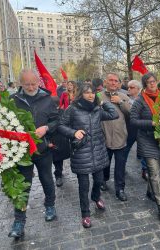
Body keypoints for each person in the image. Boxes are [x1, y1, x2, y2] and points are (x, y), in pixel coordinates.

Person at [58, 83, 118, 228]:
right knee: (83, 186)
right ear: (81, 94)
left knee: (99, 180)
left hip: (98, 152)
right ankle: (85, 213)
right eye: (87, 93)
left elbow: (113, 114)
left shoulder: (97, 109)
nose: (91, 95)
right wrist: (73, 133)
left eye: (93, 93)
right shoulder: (72, 109)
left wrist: (104, 103)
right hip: (81, 153)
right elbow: (60, 125)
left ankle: (96, 197)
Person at [8, 69, 59, 238]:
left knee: (46, 179)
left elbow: (57, 120)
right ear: (20, 83)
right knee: (23, 186)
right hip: (22, 152)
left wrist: (46, 128)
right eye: (27, 84)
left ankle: (50, 205)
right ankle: (19, 221)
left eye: (33, 83)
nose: (30, 87)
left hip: (43, 149)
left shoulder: (48, 99)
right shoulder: (12, 100)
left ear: (39, 82)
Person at [131, 72, 160, 220]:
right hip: (147, 139)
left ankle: (149, 191)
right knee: (154, 172)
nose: (152, 84)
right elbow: (133, 120)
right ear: (145, 84)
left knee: (156, 169)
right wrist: (151, 123)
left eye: (154, 81)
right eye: (149, 82)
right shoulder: (140, 100)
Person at [101, 73, 131, 201]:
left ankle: (120, 189)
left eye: (115, 81)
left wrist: (121, 102)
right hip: (104, 138)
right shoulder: (98, 97)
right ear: (105, 82)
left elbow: (130, 113)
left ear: (119, 83)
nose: (113, 83)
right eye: (110, 80)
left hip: (120, 137)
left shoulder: (124, 96)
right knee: (104, 163)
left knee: (120, 166)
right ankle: (103, 180)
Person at [124, 80, 148, 181]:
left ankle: (145, 170)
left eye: (132, 87)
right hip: (130, 129)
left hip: (142, 128)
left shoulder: (144, 99)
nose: (129, 89)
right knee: (125, 149)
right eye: (128, 87)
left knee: (144, 150)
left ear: (138, 89)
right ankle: (122, 166)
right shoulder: (125, 98)